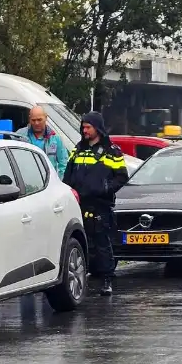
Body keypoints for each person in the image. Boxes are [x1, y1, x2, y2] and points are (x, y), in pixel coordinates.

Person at [62, 111, 128, 296]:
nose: (84, 130)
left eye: (88, 127)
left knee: (102, 242)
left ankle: (107, 279)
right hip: (79, 203)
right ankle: (84, 277)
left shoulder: (111, 150)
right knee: (82, 242)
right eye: (83, 127)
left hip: (100, 204)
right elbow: (68, 173)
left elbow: (121, 176)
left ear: (97, 128)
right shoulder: (78, 149)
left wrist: (106, 188)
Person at [17, 106, 69, 176]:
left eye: (39, 120)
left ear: (46, 118)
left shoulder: (56, 139)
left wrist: (59, 183)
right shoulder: (20, 135)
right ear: (29, 119)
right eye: (33, 120)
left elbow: (63, 165)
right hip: (25, 182)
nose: (36, 123)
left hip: (49, 183)